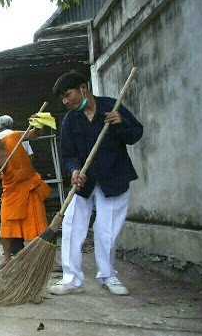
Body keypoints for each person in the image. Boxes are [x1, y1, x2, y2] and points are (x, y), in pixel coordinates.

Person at [49, 70, 142, 296]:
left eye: (67, 94)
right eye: (62, 98)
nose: (65, 101)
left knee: (107, 230)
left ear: (83, 88)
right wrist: (74, 170)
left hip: (114, 177)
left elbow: (135, 134)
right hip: (84, 182)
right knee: (72, 226)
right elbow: (68, 155)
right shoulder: (70, 120)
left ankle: (108, 275)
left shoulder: (112, 106)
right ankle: (71, 279)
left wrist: (120, 123)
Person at [0, 125, 50, 270]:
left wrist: (38, 124)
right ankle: (7, 258)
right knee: (6, 224)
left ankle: (46, 259)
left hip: (30, 186)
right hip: (11, 191)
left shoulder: (13, 137)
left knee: (40, 223)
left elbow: (34, 134)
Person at [0, 114, 36, 256]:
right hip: (25, 180)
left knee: (11, 218)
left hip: (10, 183)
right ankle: (34, 249)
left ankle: (16, 249)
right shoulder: (18, 134)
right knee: (30, 216)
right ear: (10, 124)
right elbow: (31, 157)